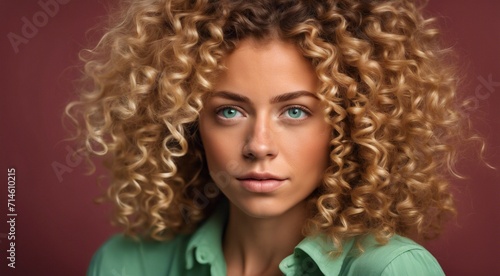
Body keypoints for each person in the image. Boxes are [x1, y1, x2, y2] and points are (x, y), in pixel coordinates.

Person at [65, 0, 483, 275]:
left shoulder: (389, 269)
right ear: (189, 124)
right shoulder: (126, 265)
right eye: (230, 111)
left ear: (349, 126)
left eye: (295, 111)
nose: (259, 145)